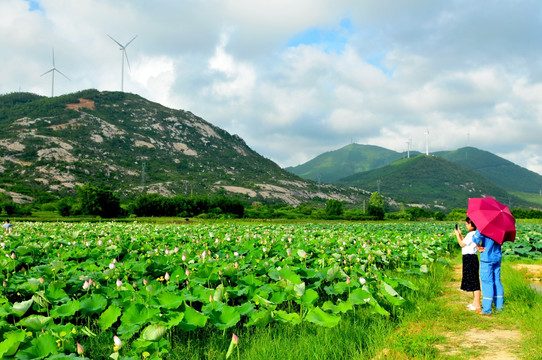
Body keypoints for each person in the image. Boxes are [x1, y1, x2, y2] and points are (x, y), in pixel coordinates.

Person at [472, 227, 503, 315]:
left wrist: (478, 246)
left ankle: (486, 309)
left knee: (487, 282)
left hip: (487, 258)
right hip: (497, 257)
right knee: (497, 281)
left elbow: (476, 238)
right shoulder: (501, 228)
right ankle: (499, 308)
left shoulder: (485, 226)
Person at [454, 217, 481, 311]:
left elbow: (461, 244)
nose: (466, 225)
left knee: (474, 281)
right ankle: (474, 302)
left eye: (466, 224)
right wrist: (460, 234)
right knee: (472, 280)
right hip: (468, 258)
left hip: (470, 258)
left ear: (471, 224)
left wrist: (457, 235)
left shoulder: (472, 234)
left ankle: (477, 304)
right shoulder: (471, 234)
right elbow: (465, 243)